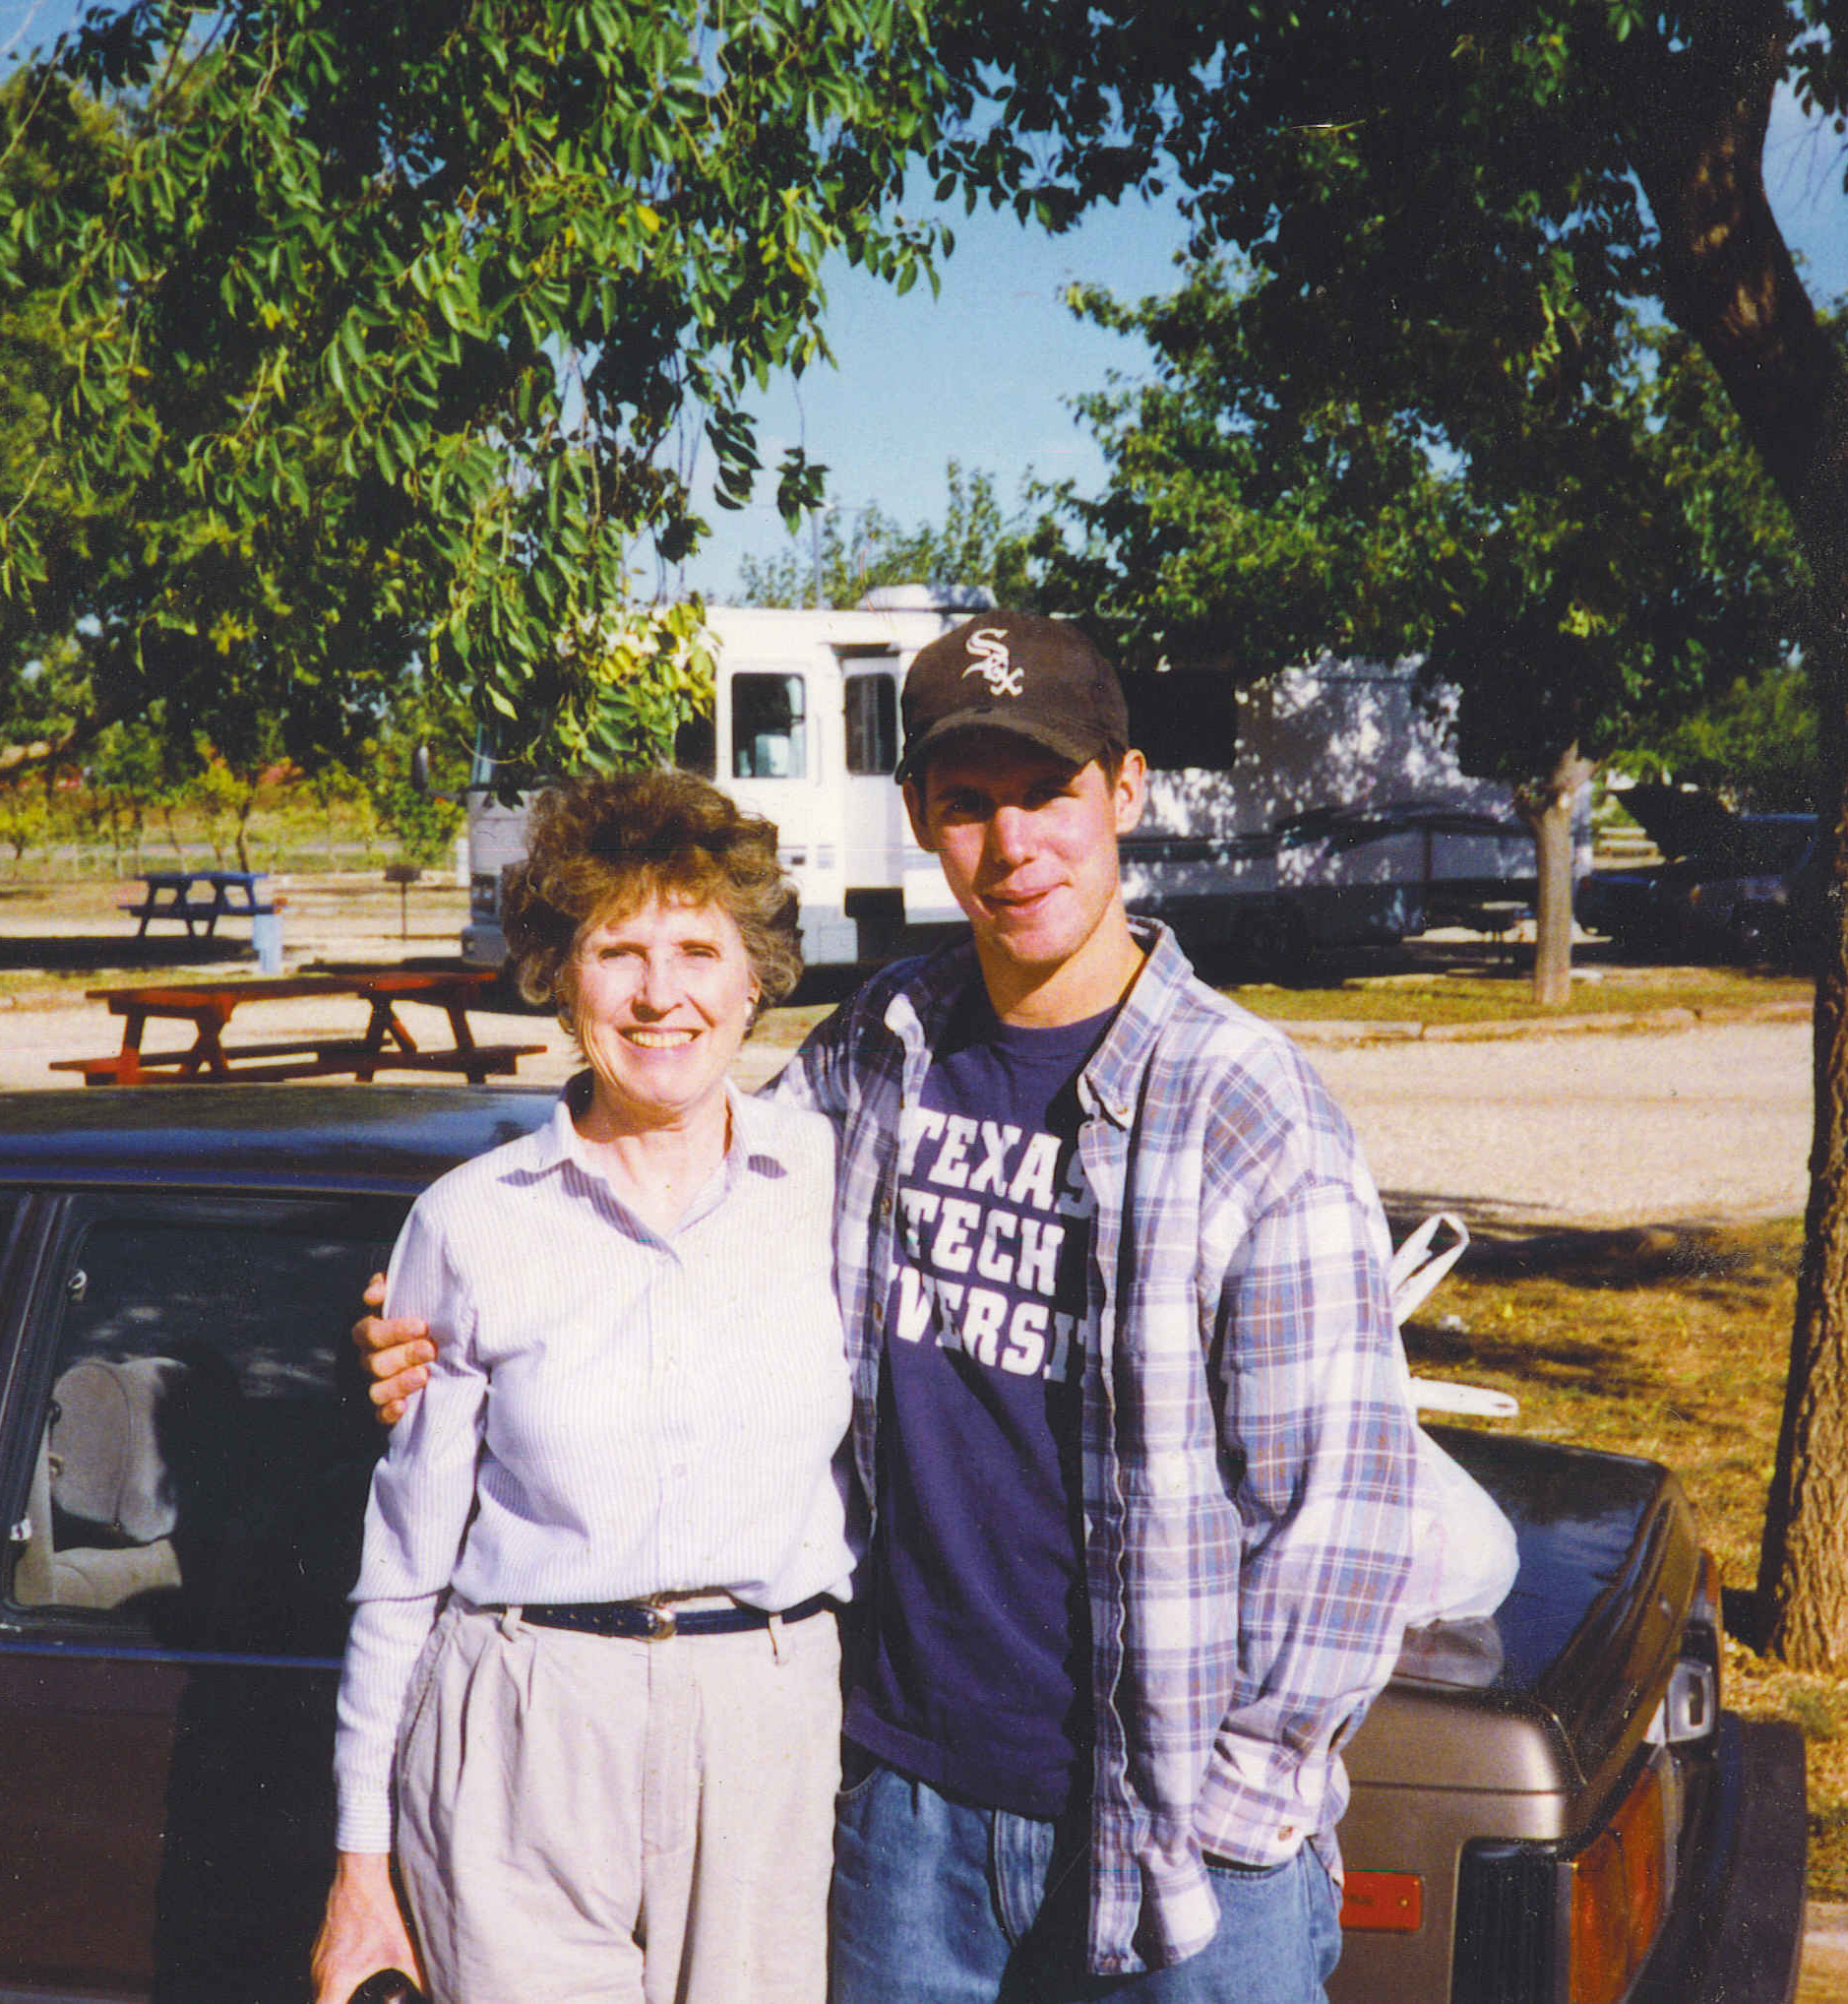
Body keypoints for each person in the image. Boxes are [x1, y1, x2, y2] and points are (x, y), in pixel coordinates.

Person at [361, 613, 1429, 2003]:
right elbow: (675, 1177)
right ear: (919, 817)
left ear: (1124, 791)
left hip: (1173, 1837)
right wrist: (426, 1315)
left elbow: (1343, 1512)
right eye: (968, 802)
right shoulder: (882, 1047)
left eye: (1046, 793)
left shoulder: (1245, 1104)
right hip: (904, 1819)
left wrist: (1230, 1811)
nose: (1012, 844)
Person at [311, 771, 853, 2004]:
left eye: (699, 950)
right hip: (524, 1731)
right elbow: (401, 1565)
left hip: (767, 1726)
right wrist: (360, 1867)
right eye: (618, 952)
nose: (662, 994)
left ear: (755, 976)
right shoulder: (470, 1222)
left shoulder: (832, 1186)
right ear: (562, 978)